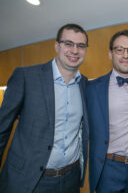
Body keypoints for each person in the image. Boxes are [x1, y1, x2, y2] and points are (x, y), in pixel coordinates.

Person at [0, 23, 89, 193]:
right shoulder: (26, 77)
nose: (75, 50)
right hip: (31, 179)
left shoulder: (85, 85)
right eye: (68, 44)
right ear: (57, 46)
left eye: (81, 46)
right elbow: (2, 128)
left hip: (71, 178)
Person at [86, 29, 128, 193]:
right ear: (110, 54)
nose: (125, 55)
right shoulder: (94, 88)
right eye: (119, 49)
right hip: (109, 168)